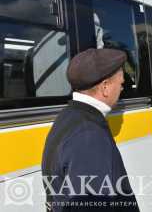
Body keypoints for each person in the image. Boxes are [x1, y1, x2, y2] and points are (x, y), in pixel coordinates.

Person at [41, 48, 140, 212]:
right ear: (105, 87)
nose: (123, 89)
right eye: (121, 83)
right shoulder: (89, 136)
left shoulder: (68, 116)